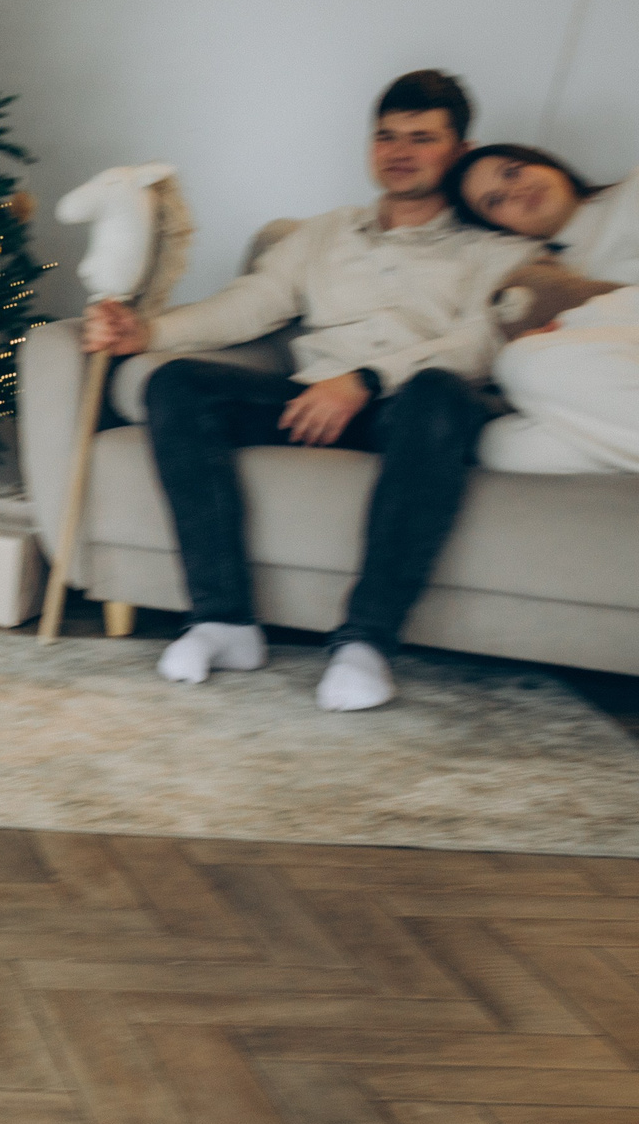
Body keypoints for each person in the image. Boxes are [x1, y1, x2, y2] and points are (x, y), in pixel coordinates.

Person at [83, 71, 536, 710]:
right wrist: (149, 330)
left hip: (411, 409)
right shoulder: (323, 234)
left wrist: (365, 380)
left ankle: (365, 643)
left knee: (439, 393)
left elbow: (482, 343)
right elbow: (251, 305)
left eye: (421, 137)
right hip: (308, 399)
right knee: (178, 383)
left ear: (460, 151)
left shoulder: (497, 250)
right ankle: (224, 621)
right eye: (386, 137)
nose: (399, 151)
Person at [450, 143, 639, 473]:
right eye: (495, 201)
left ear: (542, 160)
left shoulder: (632, 192)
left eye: (512, 171)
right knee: (501, 443)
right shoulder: (544, 275)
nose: (517, 190)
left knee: (520, 361)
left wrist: (574, 326)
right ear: (501, 229)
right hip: (618, 369)